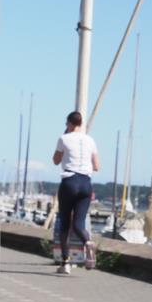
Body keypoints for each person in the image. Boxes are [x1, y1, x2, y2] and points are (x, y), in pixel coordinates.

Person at [52, 111, 100, 274]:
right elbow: (96, 166)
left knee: (65, 223)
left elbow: (56, 160)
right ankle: (88, 242)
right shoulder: (90, 140)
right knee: (79, 224)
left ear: (70, 124)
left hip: (69, 182)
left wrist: (65, 138)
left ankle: (65, 263)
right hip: (86, 183)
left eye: (67, 124)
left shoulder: (63, 138)